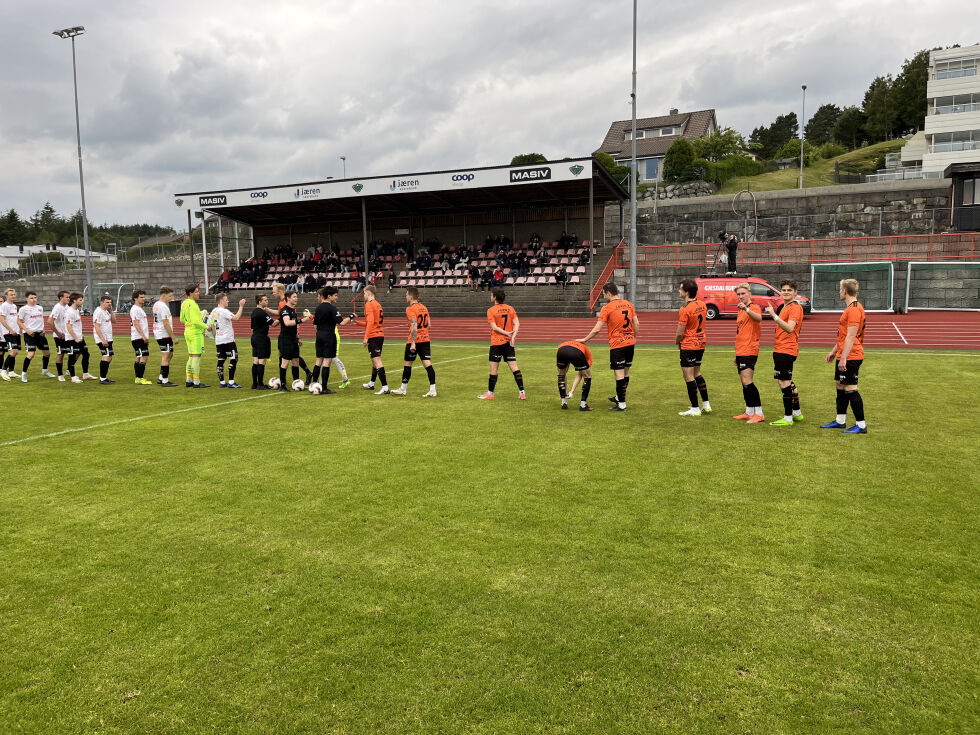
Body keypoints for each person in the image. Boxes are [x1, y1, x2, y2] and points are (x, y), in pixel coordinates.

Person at [579, 282, 637, 411]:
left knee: (619, 374)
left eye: (604, 294)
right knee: (626, 372)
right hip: (630, 342)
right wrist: (634, 338)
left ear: (609, 293)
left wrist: (585, 339)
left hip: (618, 344)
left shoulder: (608, 307)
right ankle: (619, 397)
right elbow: (636, 323)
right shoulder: (629, 304)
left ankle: (622, 404)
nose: (604, 296)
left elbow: (597, 330)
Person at [821, 279, 868, 434]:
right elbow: (843, 335)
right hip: (845, 353)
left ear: (845, 291)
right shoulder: (851, 308)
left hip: (851, 355)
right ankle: (840, 420)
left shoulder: (854, 309)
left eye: (840, 289)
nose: (839, 292)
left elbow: (851, 336)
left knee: (850, 388)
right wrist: (834, 351)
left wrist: (843, 358)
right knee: (840, 386)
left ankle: (861, 425)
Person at [765, 280, 805, 426]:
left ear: (795, 292)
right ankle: (797, 413)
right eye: (784, 290)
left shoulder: (794, 307)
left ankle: (788, 418)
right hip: (781, 348)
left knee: (784, 382)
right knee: (786, 380)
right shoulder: (785, 306)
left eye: (789, 290)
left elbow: (789, 328)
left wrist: (774, 316)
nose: (786, 292)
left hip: (786, 349)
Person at [479, 288, 525, 400]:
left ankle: (490, 393)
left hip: (496, 343)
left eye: (491, 295)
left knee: (494, 370)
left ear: (495, 297)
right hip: (508, 343)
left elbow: (494, 327)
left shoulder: (491, 310)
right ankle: (522, 392)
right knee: (514, 367)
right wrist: (512, 337)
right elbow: (517, 323)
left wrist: (506, 333)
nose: (490, 297)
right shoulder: (510, 308)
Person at [391, 286, 436, 397]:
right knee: (427, 364)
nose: (405, 296)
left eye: (406, 295)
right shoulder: (424, 307)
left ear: (411, 296)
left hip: (415, 340)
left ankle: (403, 389)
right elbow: (429, 325)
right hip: (426, 339)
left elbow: (414, 325)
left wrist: (413, 342)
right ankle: (433, 390)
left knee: (407, 364)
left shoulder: (410, 309)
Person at [675, 279, 711, 416]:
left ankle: (695, 408)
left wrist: (677, 342)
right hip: (701, 343)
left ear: (687, 292)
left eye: (680, 289)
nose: (679, 291)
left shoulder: (684, 309)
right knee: (697, 373)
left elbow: (680, 332)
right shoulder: (702, 304)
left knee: (688, 376)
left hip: (689, 345)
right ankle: (706, 404)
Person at [310, 286, 354, 393]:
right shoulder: (332, 308)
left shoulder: (318, 308)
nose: (336, 298)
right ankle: (324, 388)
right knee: (327, 361)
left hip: (319, 335)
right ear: (329, 296)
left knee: (318, 360)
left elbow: (315, 324)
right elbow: (342, 323)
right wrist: (351, 316)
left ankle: (314, 384)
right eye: (335, 295)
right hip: (329, 336)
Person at [731, 283, 765, 422]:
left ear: (749, 293)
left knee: (748, 381)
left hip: (749, 350)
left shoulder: (753, 307)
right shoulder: (741, 310)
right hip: (741, 350)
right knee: (743, 382)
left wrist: (746, 308)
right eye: (738, 294)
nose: (740, 296)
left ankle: (760, 413)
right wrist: (737, 355)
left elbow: (759, 318)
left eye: (743, 293)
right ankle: (749, 411)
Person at [273, 282, 313, 382]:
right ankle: (283, 385)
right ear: (288, 298)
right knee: (285, 362)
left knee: (295, 361)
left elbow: (294, 326)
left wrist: (297, 337)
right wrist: (302, 320)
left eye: (296, 297)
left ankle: (296, 382)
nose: (296, 298)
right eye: (294, 297)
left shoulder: (292, 310)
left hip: (293, 339)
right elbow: (287, 323)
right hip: (285, 339)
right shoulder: (285, 310)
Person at [356, 285, 389, 394]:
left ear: (369, 293)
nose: (364, 296)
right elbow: (373, 322)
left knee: (377, 361)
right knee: (374, 361)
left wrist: (366, 337)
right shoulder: (378, 304)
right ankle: (372, 383)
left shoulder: (369, 305)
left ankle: (385, 387)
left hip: (373, 336)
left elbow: (370, 323)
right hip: (380, 335)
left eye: (364, 294)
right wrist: (357, 323)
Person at [210, 293, 247, 388]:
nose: (228, 301)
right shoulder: (224, 311)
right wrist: (241, 306)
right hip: (228, 339)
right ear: (221, 300)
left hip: (219, 340)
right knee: (234, 358)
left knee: (221, 359)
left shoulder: (213, 311)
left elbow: (212, 327)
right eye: (226, 299)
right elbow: (236, 318)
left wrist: (216, 338)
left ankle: (222, 382)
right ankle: (231, 382)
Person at [17, 291, 54, 381]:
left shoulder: (39, 308)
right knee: (31, 354)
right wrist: (27, 330)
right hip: (30, 335)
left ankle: (45, 371)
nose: (34, 300)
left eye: (35, 298)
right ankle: (23, 374)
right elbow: (18, 321)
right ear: (27, 299)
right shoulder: (23, 309)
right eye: (31, 298)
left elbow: (40, 319)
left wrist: (43, 329)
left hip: (40, 334)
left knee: (47, 353)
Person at [179, 283, 209, 388]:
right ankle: (196, 381)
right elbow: (196, 321)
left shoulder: (184, 303)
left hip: (187, 331)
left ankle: (188, 379)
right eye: (196, 291)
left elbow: (181, 319)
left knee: (191, 356)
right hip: (196, 333)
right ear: (190, 293)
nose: (198, 293)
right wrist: (207, 327)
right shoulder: (193, 304)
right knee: (197, 356)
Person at [556, 339, 593, 411]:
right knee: (588, 377)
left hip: (561, 350)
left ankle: (563, 402)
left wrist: (565, 391)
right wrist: (572, 392)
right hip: (576, 352)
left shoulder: (566, 343)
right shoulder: (587, 352)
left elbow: (563, 374)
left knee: (561, 375)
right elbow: (581, 374)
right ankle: (583, 405)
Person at [153, 287, 179, 386]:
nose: (171, 298)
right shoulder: (163, 306)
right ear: (164, 295)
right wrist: (173, 337)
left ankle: (161, 377)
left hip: (159, 333)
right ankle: (165, 380)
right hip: (163, 334)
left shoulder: (156, 304)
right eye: (170, 296)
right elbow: (165, 323)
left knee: (170, 354)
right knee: (166, 355)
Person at [249, 294, 277, 390]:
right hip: (261, 338)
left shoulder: (254, 312)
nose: (267, 301)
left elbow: (252, 328)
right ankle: (260, 384)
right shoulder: (262, 313)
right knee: (262, 361)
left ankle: (254, 384)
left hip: (254, 337)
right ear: (260, 302)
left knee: (255, 360)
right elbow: (273, 324)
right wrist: (282, 318)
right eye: (265, 300)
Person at [63, 292, 92, 383]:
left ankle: (85, 374)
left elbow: (76, 325)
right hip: (71, 339)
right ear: (74, 301)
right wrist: (75, 337)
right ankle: (73, 377)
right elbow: (68, 326)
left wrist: (80, 335)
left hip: (79, 337)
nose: (82, 302)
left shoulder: (76, 311)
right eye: (80, 300)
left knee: (86, 354)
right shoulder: (69, 312)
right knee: (72, 356)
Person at [129, 290, 153, 385]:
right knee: (144, 356)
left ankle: (138, 378)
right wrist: (144, 336)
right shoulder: (135, 309)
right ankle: (139, 378)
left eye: (144, 297)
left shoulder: (139, 309)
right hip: (138, 337)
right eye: (141, 297)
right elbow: (136, 323)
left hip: (139, 337)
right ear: (135, 298)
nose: (143, 299)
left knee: (139, 357)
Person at [92, 294, 116, 385]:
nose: (109, 304)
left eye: (110, 302)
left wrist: (111, 311)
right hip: (103, 339)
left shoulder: (106, 311)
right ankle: (103, 378)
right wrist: (102, 339)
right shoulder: (98, 312)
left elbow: (114, 321)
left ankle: (103, 377)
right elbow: (97, 326)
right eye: (107, 302)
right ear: (102, 302)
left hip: (108, 338)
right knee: (107, 356)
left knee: (108, 357)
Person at [48, 290, 71, 381]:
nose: (68, 299)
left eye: (69, 297)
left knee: (76, 351)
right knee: (61, 354)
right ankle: (60, 375)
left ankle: (69, 369)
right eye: (67, 297)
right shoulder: (57, 308)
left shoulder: (67, 307)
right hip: (60, 336)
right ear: (61, 298)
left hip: (68, 335)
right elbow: (50, 321)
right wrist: (57, 333)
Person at [1, 287, 21, 381]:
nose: (13, 296)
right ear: (6, 296)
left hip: (15, 332)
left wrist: (18, 329)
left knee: (15, 352)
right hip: (8, 332)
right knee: (13, 351)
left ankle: (11, 372)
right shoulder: (4, 306)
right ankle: (3, 371)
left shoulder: (14, 306)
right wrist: (10, 329)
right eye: (11, 295)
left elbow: (15, 319)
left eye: (14, 294)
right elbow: (2, 319)